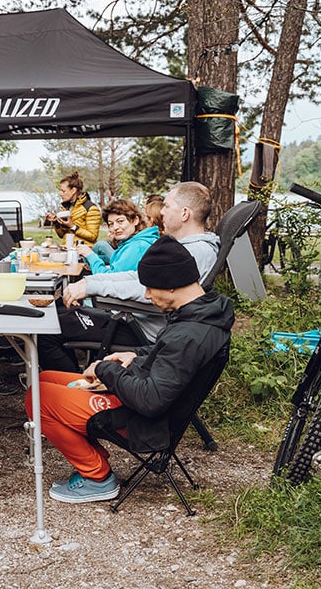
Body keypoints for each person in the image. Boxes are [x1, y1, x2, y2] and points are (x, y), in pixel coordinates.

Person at [25, 236, 234, 503]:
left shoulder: (189, 334)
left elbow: (150, 401)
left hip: (145, 421)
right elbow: (166, 354)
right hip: (142, 396)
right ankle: (95, 459)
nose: (146, 295)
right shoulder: (201, 314)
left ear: (170, 285)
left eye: (149, 287)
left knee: (37, 397)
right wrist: (133, 355)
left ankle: (97, 476)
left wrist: (105, 369)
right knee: (46, 378)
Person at [38, 181, 219, 372]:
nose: (161, 212)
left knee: (47, 329)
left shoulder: (197, 252)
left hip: (142, 326)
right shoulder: (185, 247)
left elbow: (150, 291)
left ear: (184, 214)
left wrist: (92, 287)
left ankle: (74, 386)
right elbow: (140, 277)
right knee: (56, 314)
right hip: (137, 318)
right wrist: (90, 282)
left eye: (166, 206)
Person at [76, 199, 159, 275]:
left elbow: (110, 279)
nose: (115, 227)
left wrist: (90, 255)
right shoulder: (133, 242)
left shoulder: (137, 246)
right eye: (111, 224)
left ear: (135, 220)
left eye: (120, 221)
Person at [45, 171, 102, 247]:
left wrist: (73, 227)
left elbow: (93, 236)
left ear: (73, 191)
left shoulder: (91, 208)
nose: (60, 194)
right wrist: (56, 222)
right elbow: (61, 235)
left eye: (63, 191)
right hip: (67, 248)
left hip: (84, 250)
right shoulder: (66, 207)